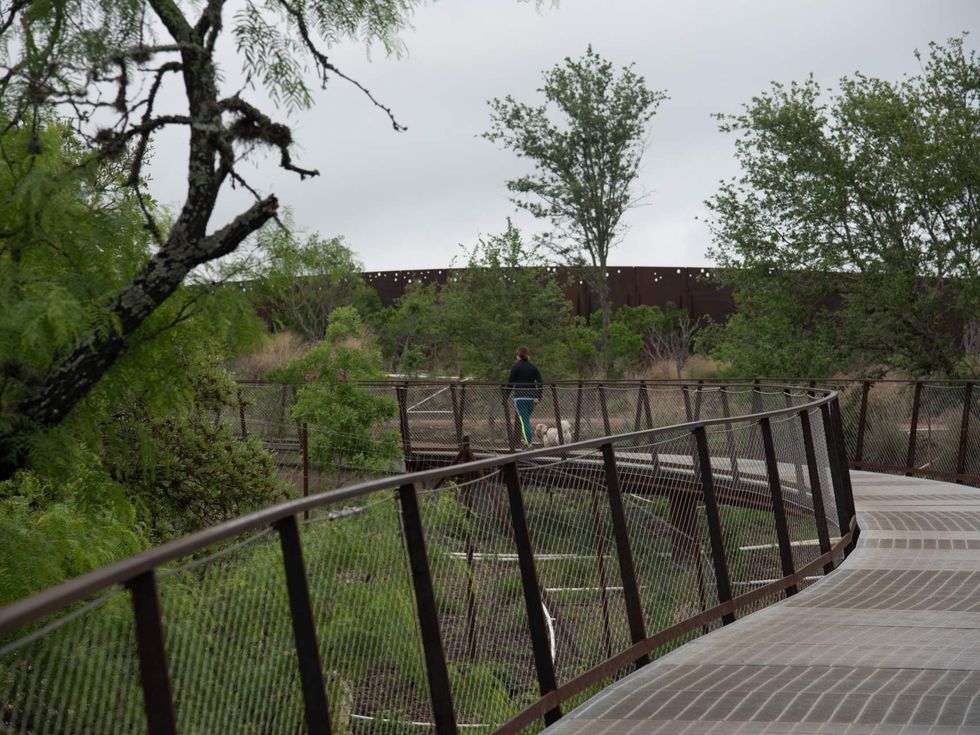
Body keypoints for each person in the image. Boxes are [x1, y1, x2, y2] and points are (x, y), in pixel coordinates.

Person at [505, 346, 542, 447]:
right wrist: (539, 397)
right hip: (532, 398)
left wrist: (505, 397)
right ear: (527, 355)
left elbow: (510, 383)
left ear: (518, 356)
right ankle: (526, 440)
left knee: (524, 420)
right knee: (526, 420)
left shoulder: (516, 367)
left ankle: (528, 443)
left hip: (520, 398)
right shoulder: (533, 367)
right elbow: (540, 382)